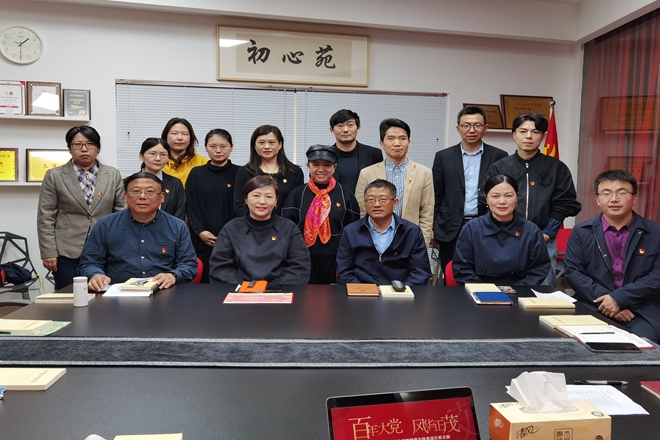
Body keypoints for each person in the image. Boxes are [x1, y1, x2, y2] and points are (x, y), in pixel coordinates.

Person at [482, 113, 581, 285]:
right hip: (504, 238)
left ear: (542, 136)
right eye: (523, 131)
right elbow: (487, 200)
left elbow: (565, 203)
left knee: (542, 291)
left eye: (535, 132)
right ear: (514, 134)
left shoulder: (557, 168)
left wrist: (547, 233)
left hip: (543, 239)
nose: (529, 136)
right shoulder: (500, 167)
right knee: (504, 290)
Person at [565, 170, 660, 343]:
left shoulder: (655, 232)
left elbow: (657, 276)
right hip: (592, 304)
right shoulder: (581, 232)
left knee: (645, 347)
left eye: (622, 193)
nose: (614, 199)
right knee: (576, 346)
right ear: (597, 199)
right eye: (606, 193)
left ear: (634, 198)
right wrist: (609, 301)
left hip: (640, 310)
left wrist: (620, 299)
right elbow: (573, 272)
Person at [37, 125, 125, 290]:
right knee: (69, 297)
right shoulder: (54, 175)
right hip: (67, 252)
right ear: (70, 149)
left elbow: (121, 212)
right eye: (77, 144)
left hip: (105, 250)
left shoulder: (113, 174)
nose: (84, 149)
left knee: (105, 297)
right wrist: (48, 252)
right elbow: (46, 216)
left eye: (90, 144)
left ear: (98, 148)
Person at [78, 172, 198, 292]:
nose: (142, 196)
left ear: (162, 197)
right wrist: (96, 274)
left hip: (163, 291)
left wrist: (173, 275)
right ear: (125, 196)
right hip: (117, 293)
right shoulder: (105, 225)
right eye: (135, 191)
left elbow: (189, 264)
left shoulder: (177, 226)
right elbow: (89, 262)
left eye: (150, 192)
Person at [432, 106, 507, 274]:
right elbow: (436, 194)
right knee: (452, 273)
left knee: (487, 272)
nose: (471, 130)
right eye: (466, 125)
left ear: (485, 128)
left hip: (487, 224)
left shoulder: (499, 156)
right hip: (450, 227)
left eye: (477, 125)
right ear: (458, 128)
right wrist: (432, 227)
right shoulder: (443, 157)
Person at [210, 176, 310, 286]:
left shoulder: (289, 228)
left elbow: (299, 266)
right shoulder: (231, 228)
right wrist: (244, 289)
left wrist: (272, 289)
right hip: (239, 291)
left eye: (268, 196)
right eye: (256, 196)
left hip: (279, 291)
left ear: (276, 200)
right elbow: (220, 267)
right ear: (246, 199)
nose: (262, 201)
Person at [282, 145, 360, 284]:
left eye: (327, 165)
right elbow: (287, 229)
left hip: (337, 259)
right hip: (303, 259)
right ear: (308, 166)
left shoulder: (346, 194)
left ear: (335, 167)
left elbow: (353, 230)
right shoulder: (297, 194)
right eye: (316, 164)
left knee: (334, 296)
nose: (321, 169)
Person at [453, 174, 550, 286]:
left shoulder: (531, 230)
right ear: (486, 199)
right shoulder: (471, 228)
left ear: (517, 197)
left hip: (521, 290)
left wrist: (514, 291)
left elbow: (538, 270)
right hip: (479, 290)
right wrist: (485, 291)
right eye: (495, 196)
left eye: (508, 196)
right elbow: (462, 268)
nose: (502, 201)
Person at [355, 118, 434, 247]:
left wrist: (422, 245)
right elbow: (362, 211)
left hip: (410, 240)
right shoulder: (367, 173)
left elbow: (426, 213)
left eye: (402, 138)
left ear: (409, 142)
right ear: (381, 143)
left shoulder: (424, 173)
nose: (397, 143)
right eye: (391, 138)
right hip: (374, 240)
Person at [337, 179, 431, 285]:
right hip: (363, 291)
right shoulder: (351, 231)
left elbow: (420, 272)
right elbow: (344, 271)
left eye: (383, 199)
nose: (376, 204)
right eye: (371, 200)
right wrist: (364, 290)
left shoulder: (411, 231)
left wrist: (402, 290)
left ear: (395, 202)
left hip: (400, 291)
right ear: (365, 203)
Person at [186, 129, 240, 283]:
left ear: (231, 147)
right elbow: (190, 205)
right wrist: (200, 231)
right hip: (203, 240)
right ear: (205, 148)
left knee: (231, 283)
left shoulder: (241, 172)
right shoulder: (196, 173)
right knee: (205, 286)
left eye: (223, 146)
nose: (218, 150)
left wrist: (230, 234)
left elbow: (244, 206)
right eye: (213, 146)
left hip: (234, 239)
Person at [233, 125, 304, 217]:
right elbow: (239, 206)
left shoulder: (294, 172)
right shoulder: (244, 172)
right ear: (254, 146)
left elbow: (298, 204)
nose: (266, 146)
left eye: (271, 142)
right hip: (252, 224)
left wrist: (285, 224)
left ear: (280, 145)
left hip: (286, 224)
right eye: (261, 142)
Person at [328, 109, 382, 193]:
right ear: (331, 130)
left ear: (358, 127)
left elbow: (380, 184)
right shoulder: (326, 155)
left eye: (350, 125)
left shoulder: (374, 154)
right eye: (340, 126)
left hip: (364, 201)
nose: (345, 130)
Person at [138, 137, 186, 221]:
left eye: (163, 155)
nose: (158, 158)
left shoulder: (175, 184)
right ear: (142, 156)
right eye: (152, 154)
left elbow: (180, 213)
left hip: (170, 228)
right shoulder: (129, 182)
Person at [161, 117, 207, 186]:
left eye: (184, 134)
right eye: (174, 133)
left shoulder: (202, 161)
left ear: (191, 138)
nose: (179, 138)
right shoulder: (158, 161)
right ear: (166, 136)